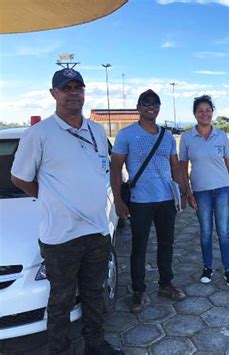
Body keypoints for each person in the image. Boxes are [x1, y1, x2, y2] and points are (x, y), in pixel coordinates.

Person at [11, 68, 123, 354]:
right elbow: (19, 177)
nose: (73, 92)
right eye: (66, 87)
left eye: (78, 87)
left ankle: (94, 345)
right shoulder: (39, 134)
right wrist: (49, 197)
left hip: (96, 230)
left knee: (94, 293)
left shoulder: (96, 131)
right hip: (61, 236)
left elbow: (102, 169)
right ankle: (59, 350)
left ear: (84, 92)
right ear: (54, 94)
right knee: (60, 300)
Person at [111, 89, 186, 314]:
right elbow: (115, 169)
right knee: (139, 247)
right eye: (146, 103)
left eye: (154, 103)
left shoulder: (167, 136)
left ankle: (165, 284)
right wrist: (118, 200)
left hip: (165, 200)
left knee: (166, 244)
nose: (150, 106)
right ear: (138, 107)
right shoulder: (126, 135)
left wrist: (182, 194)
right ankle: (138, 290)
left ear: (159, 108)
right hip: (140, 200)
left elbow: (175, 166)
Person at [179, 95, 229, 287]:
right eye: (200, 111)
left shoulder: (221, 135)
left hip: (222, 189)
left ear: (212, 112)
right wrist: (187, 192)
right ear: (194, 114)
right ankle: (208, 267)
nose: (204, 114)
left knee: (223, 232)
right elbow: (182, 167)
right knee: (205, 232)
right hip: (200, 192)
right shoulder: (187, 137)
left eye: (208, 110)